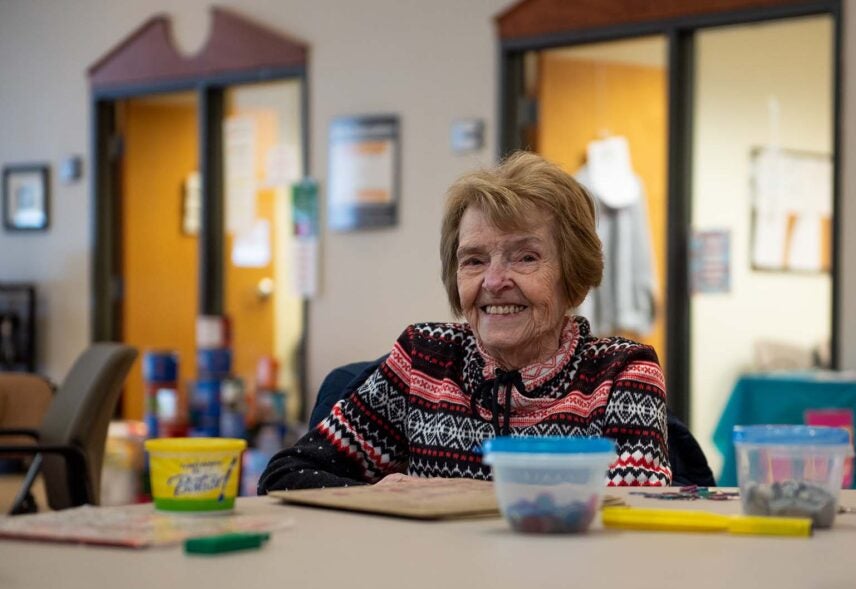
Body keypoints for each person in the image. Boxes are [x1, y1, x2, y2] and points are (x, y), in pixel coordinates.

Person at [258, 152, 672, 493]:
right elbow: (286, 477)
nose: (493, 281)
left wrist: (453, 496)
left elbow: (633, 514)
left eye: (525, 257)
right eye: (474, 260)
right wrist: (376, 497)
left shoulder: (621, 373)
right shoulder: (423, 360)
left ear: (573, 273)